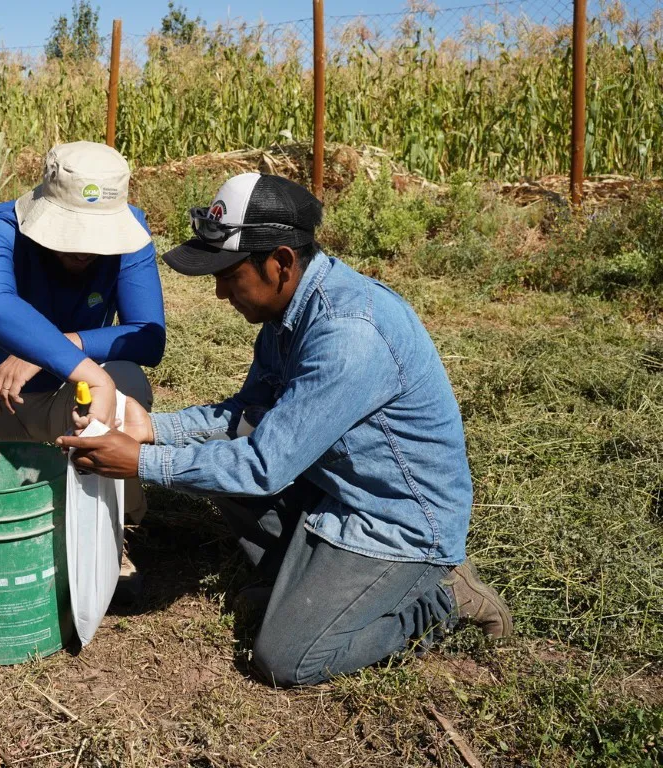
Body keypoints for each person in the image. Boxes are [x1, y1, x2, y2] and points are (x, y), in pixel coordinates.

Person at [58, 172, 512, 686]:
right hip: (333, 487)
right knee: (225, 453)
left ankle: (441, 600)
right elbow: (246, 415)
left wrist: (142, 462)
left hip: (394, 522)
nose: (219, 292)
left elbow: (263, 466)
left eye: (229, 274)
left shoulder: (349, 335)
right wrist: (154, 428)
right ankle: (296, 581)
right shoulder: (286, 316)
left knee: (286, 658)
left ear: (280, 262)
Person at [0, 141, 165, 530]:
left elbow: (148, 337)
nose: (85, 249)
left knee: (128, 385)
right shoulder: (0, 226)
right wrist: (68, 357)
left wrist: (61, 349)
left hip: (76, 398)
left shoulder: (133, 233)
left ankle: (114, 528)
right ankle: (12, 510)